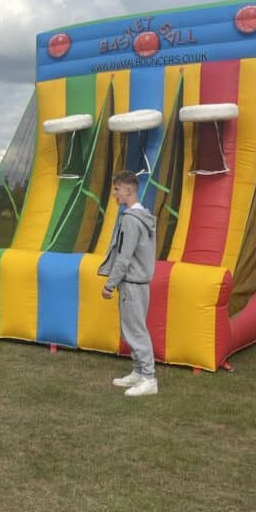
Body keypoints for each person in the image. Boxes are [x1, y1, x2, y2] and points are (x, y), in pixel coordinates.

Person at [98, 170, 158, 397]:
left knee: (135, 330)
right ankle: (138, 371)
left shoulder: (131, 220)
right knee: (131, 328)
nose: (114, 194)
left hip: (132, 282)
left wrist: (109, 284)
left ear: (128, 190)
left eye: (116, 189)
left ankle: (149, 378)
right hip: (138, 282)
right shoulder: (142, 216)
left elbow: (124, 256)